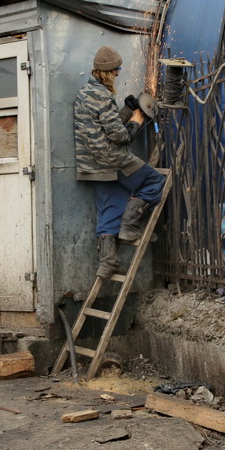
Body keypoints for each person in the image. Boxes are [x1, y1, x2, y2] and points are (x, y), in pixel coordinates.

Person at [74, 45, 165, 281]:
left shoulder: (85, 93)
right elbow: (120, 136)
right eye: (117, 70)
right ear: (108, 71)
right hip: (112, 159)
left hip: (91, 166)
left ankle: (107, 264)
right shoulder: (102, 96)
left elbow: (105, 123)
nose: (118, 73)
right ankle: (130, 228)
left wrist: (127, 108)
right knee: (154, 182)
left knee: (110, 207)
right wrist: (136, 120)